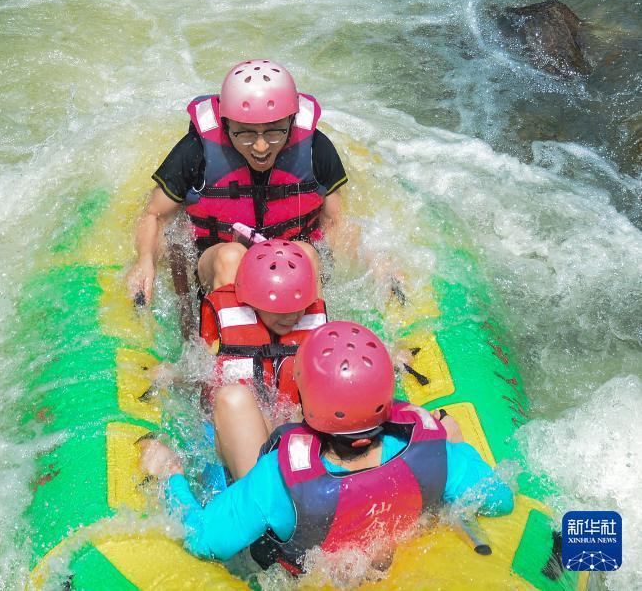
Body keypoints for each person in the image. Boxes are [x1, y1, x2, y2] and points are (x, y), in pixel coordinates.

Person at [141, 322, 514, 573]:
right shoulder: (436, 456)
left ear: (306, 401)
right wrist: (457, 446)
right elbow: (500, 500)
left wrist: (170, 473)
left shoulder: (281, 479)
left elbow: (203, 541)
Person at [126, 60, 351, 329]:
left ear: (291, 122)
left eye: (274, 131)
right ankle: (230, 354)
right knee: (232, 257)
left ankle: (310, 348)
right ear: (226, 124)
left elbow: (337, 223)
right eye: (245, 133)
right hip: (218, 264)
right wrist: (144, 261)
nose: (260, 146)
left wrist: (373, 266)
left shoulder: (317, 150)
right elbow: (155, 215)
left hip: (288, 268)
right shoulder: (195, 151)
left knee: (303, 254)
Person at [201, 239, 327, 479]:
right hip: (244, 432)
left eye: (299, 308)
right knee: (234, 398)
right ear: (251, 302)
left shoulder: (305, 319)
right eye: (281, 310)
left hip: (294, 430)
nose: (292, 317)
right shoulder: (232, 326)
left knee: (306, 253)